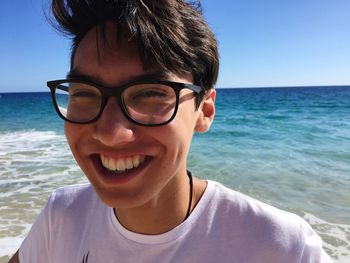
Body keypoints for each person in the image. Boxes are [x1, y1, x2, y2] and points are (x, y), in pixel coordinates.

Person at [10, 0, 332, 262]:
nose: (111, 133)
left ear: (204, 111)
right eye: (84, 92)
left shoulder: (283, 247)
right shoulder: (61, 216)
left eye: (151, 93)